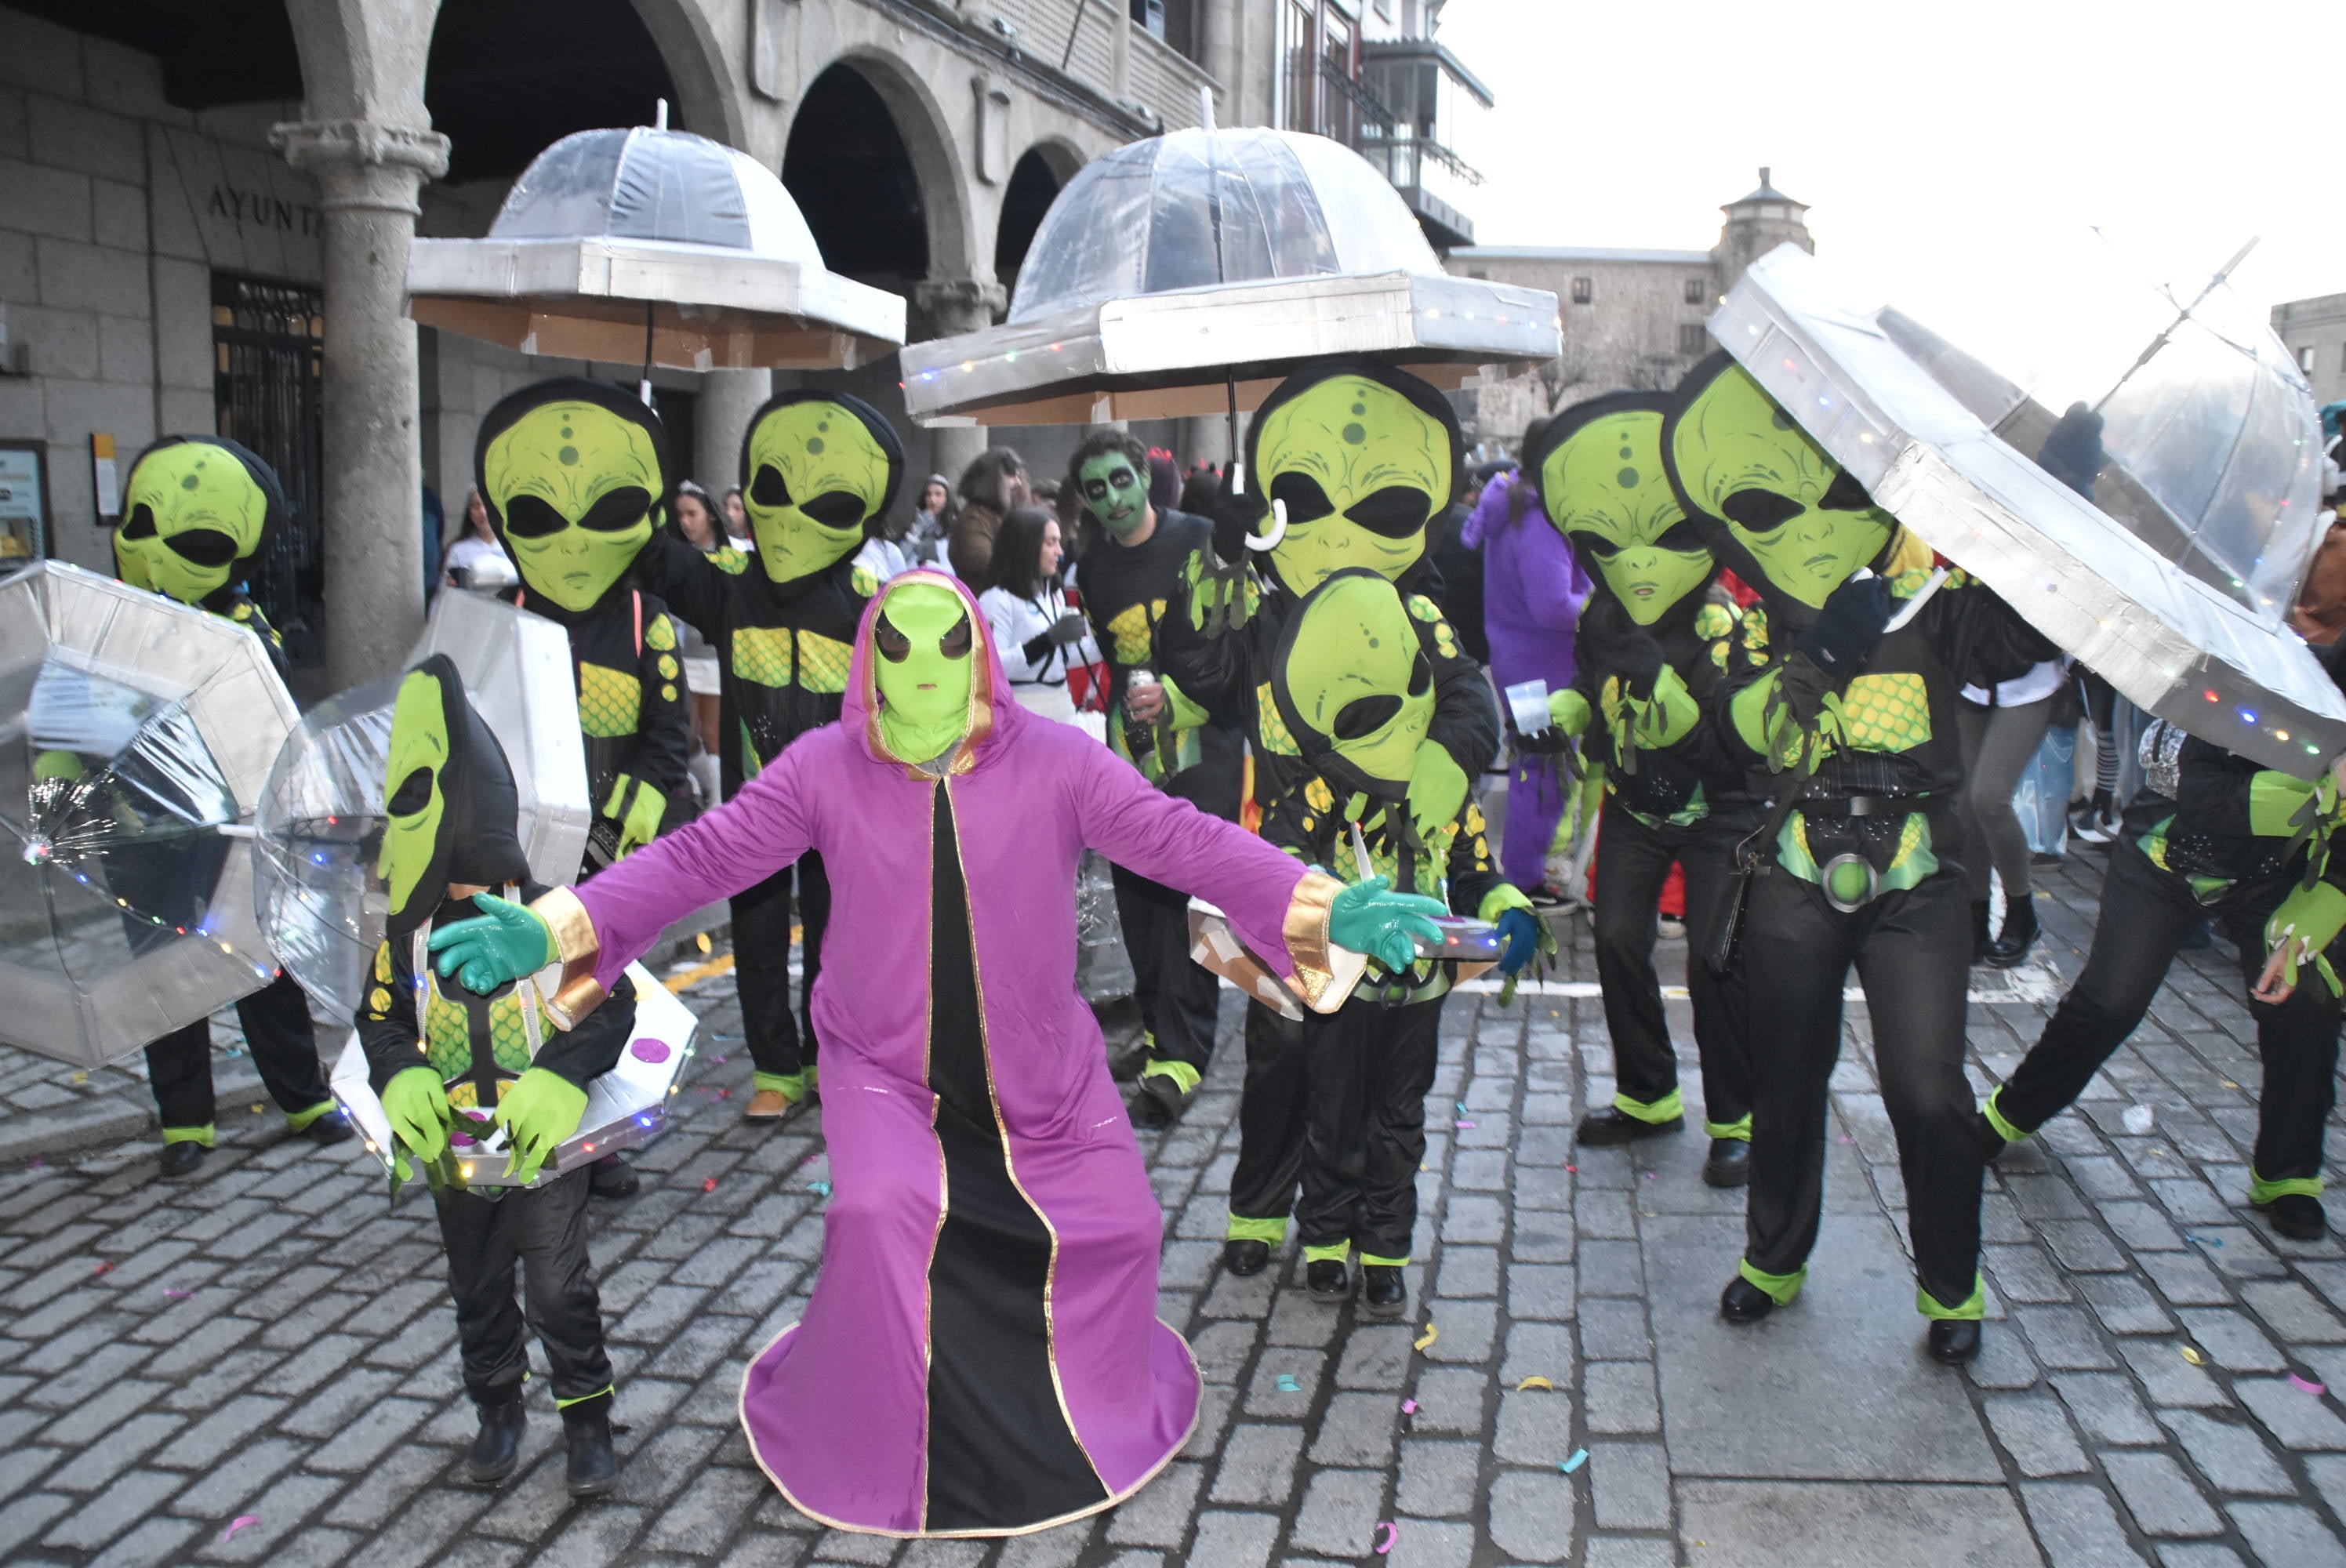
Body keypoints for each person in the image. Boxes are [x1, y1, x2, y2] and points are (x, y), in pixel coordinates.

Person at [423, 569, 1447, 1537]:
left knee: (1127, 1223)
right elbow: (703, 854)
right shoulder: (823, 769)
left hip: (1044, 1075)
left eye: (947, 644)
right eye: (899, 647)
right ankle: (869, 1416)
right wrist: (559, 926)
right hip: (882, 1072)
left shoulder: (1059, 761)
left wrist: (1323, 905)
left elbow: (1183, 840)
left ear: (979, 658)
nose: (922, 667)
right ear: (870, 659)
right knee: (876, 1216)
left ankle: (1076, 1403)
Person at [1663, 354, 2057, 1363]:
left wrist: (2022, 523)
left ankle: (1951, 1283)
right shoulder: (1740, 608)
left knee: (1926, 1087)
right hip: (1796, 865)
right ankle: (1773, 1256)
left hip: (1918, 882)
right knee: (1787, 1076)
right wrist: (1818, 654)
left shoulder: (1935, 602)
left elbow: (2024, 638)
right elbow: (1734, 730)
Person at [1160, 359, 1502, 1278]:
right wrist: (1221, 554)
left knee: (1373, 1066)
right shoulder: (1262, 614)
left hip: (1380, 864)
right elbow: (1193, 666)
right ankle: (1260, 1214)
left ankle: (1354, 1225)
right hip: (1282, 874)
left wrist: (1444, 759)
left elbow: (1470, 697)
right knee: (1277, 1052)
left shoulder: (1416, 611)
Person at [360, 655, 632, 1497]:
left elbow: (610, 1003)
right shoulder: (402, 936)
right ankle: (496, 1410)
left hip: (542, 1147)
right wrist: (402, 1071)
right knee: (475, 1287)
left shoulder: (550, 917)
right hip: (456, 1152)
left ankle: (586, 1417)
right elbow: (380, 1019)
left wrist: (560, 1075)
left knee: (557, 1287)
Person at [1247, 568, 1545, 1313]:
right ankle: (1323, 1240)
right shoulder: (1323, 789)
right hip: (1340, 982)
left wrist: (1507, 906)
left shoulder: (1444, 794)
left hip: (1420, 992)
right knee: (1333, 1107)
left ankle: (1384, 1246)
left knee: (1399, 1116)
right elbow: (1274, 854)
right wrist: (1326, 898)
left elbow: (1479, 871)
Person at [1979, 669, 2346, 1240]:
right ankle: (2009, 1114)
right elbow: (2206, 799)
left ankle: (2289, 1174)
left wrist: (2320, 911)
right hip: (2165, 858)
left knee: (2307, 1002)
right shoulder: (2243, 674)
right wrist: (2326, 791)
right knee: (2112, 1001)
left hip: (2276, 878)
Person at [629, 389, 897, 1120]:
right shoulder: (730, 588)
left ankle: (827, 1057)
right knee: (756, 934)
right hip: (759, 813)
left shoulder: (872, 600)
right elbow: (653, 557)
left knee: (840, 939)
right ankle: (775, 1068)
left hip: (844, 812)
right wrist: (641, 451)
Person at [475, 379, 699, 1199]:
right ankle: (530, 1126)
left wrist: (617, 838)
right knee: (526, 998)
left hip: (611, 854)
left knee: (598, 997)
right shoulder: (496, 620)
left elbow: (667, 741)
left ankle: (593, 1140)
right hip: (522, 850)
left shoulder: (649, 622)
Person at [1524, 394, 1752, 1187]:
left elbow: (1721, 740)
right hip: (1633, 807)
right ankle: (1648, 1094)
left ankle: (1736, 1118)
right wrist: (1561, 711)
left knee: (1714, 960)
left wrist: (1659, 677)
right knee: (1619, 939)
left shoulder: (1723, 624)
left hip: (1717, 813)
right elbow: (1591, 682)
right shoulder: (1606, 615)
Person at [110, 435, 350, 1180]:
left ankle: (302, 1096)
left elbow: (271, 726)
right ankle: (185, 1120)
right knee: (166, 978)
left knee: (261, 965)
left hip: (231, 833)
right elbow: (71, 726)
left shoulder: (247, 627)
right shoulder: (107, 623)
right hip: (142, 833)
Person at [1064, 430, 1245, 1127]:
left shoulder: (1202, 539)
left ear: (1144, 475)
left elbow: (1237, 642)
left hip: (1208, 742)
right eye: (1096, 489)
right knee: (1139, 895)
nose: (1112, 497)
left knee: (1194, 894)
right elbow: (1114, 666)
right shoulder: (1092, 570)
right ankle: (1154, 1029)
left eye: (1120, 479)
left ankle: (1184, 1053)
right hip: (1134, 752)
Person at [1468, 447, 1590, 902]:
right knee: (1541, 769)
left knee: (1536, 766)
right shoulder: (1540, 522)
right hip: (1540, 672)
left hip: (1523, 663)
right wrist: (1600, 603)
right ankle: (1524, 878)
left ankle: (1526, 873)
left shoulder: (1517, 510)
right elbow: (1554, 605)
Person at [1959, 659, 2063, 965]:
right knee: (1964, 804)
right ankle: (1974, 918)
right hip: (1970, 680)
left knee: (1989, 799)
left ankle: (2021, 912)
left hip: (2031, 678)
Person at [979, 504, 1099, 722]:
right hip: (1022, 709)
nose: (1060, 552)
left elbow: (1061, 659)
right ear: (1027, 547)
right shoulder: (997, 599)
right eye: (1050, 542)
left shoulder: (1053, 594)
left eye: (1058, 542)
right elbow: (991, 667)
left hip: (1062, 703)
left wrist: (1108, 639)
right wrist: (1047, 641)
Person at [668, 481, 728, 808]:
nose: (686, 522)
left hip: (716, 657)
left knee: (714, 736)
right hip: (683, 656)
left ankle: (718, 804)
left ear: (711, 517)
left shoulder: (730, 558)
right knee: (687, 736)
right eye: (680, 515)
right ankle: (711, 795)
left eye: (692, 514)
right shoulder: (678, 556)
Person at [946, 446, 1029, 583]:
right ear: (994, 478)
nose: (1018, 483)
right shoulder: (973, 518)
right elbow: (985, 563)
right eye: (1012, 475)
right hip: (980, 599)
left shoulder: (998, 514)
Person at [441, 488, 514, 592]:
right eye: (476, 506)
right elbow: (444, 593)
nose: (483, 512)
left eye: (488, 505)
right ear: (470, 513)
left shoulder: (515, 550)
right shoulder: (458, 551)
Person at [904, 473, 956, 570]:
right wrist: (917, 529)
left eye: (938, 494)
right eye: (928, 494)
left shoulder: (955, 526)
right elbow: (901, 559)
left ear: (947, 499)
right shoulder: (917, 522)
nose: (932, 499)